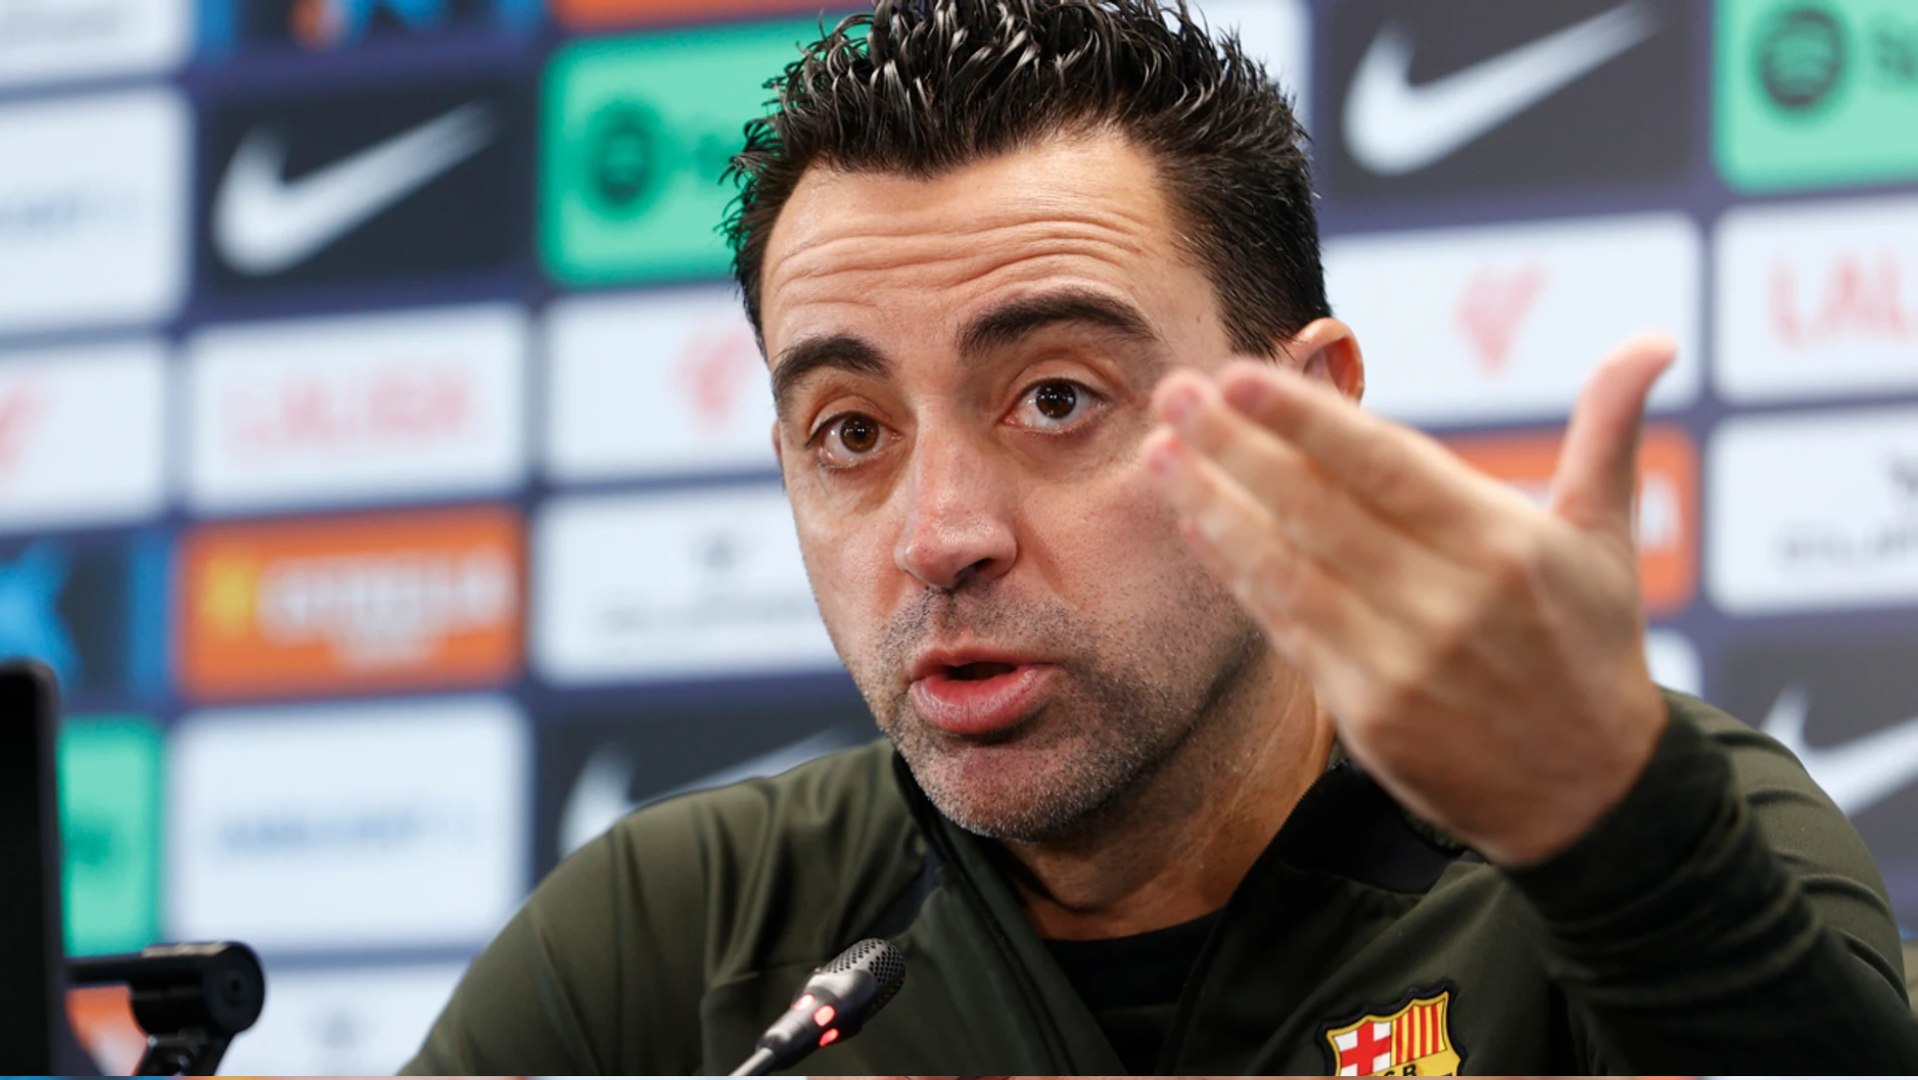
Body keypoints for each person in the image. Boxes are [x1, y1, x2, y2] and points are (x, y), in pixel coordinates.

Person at [404, 1, 1918, 1073]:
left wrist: (1618, 840)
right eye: (851, 432)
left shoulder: (1649, 846)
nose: (939, 537)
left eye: (1056, 399)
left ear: (1304, 419)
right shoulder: (677, 938)